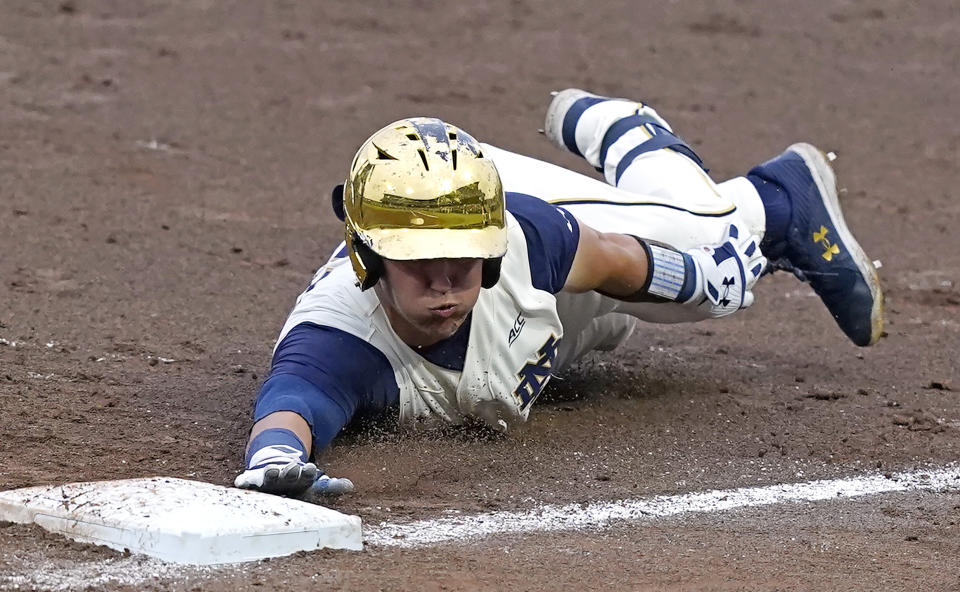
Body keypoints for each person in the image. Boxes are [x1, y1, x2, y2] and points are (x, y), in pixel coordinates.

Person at [234, 89, 883, 497]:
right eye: (418, 264)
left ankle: (775, 196)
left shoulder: (520, 234)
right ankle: (632, 143)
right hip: (559, 313)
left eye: (462, 263)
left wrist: (699, 276)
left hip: (508, 204)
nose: (443, 284)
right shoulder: (342, 335)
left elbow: (613, 259)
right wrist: (277, 458)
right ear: (369, 257)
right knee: (649, 296)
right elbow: (294, 401)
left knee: (705, 256)